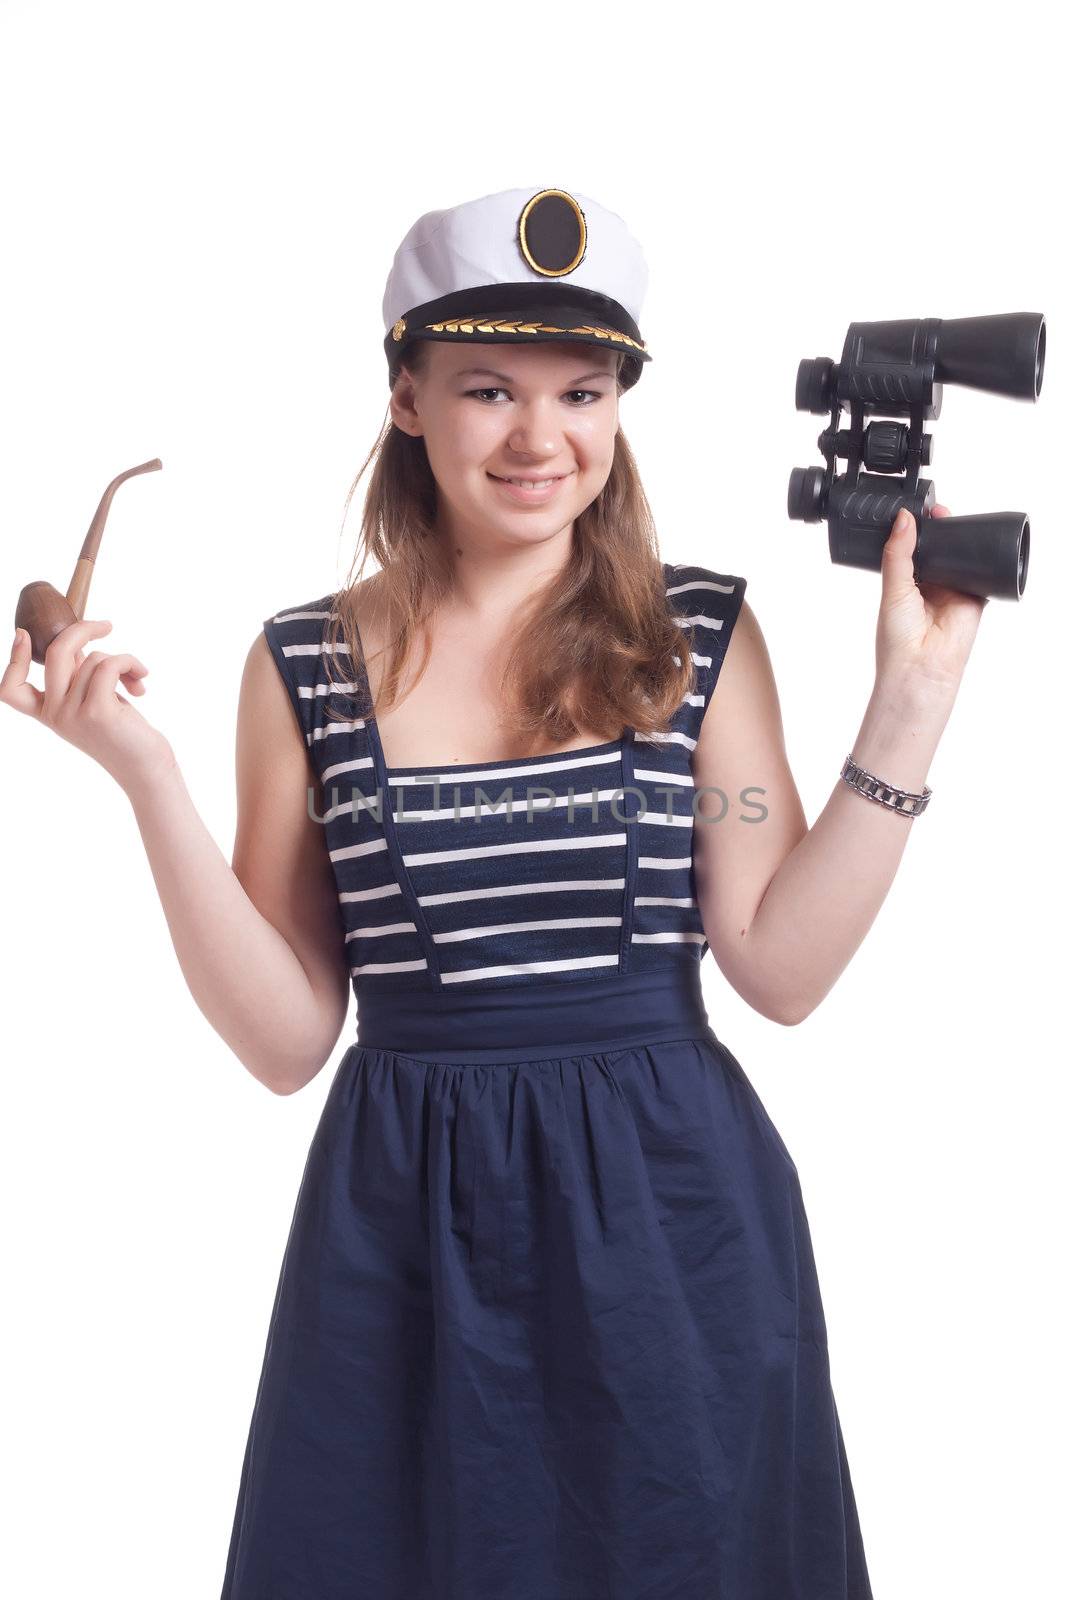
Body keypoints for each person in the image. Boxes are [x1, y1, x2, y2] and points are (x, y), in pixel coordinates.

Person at [2, 186, 986, 1598]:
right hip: (403, 1234)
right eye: (487, 391)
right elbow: (286, 1042)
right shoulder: (306, 665)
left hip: (673, 1222)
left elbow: (777, 967)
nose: (542, 438)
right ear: (407, 400)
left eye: (583, 392)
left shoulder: (695, 633)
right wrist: (143, 777)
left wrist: (911, 704)